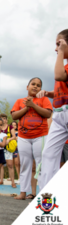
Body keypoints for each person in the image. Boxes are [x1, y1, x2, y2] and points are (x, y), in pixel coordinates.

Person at [11, 78, 52, 200]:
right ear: (27, 86)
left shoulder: (44, 99)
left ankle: (43, 194)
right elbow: (14, 115)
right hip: (24, 137)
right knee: (25, 164)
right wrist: (26, 108)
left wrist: (33, 104)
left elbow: (48, 114)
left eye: (38, 85)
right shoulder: (19, 101)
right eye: (33, 84)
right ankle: (23, 192)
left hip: (40, 135)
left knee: (41, 165)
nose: (35, 87)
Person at [38, 29, 68, 191]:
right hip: (60, 115)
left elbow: (59, 76)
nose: (56, 49)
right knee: (48, 154)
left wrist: (61, 52)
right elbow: (61, 86)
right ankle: (46, 199)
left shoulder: (62, 64)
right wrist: (50, 93)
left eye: (59, 44)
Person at [0, 113, 17, 188]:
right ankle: (1, 180)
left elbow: (14, 137)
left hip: (8, 148)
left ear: (6, 120)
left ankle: (13, 182)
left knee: (10, 165)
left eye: (5, 118)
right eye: (2, 118)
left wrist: (8, 139)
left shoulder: (10, 127)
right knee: (0, 165)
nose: (3, 120)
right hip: (0, 148)